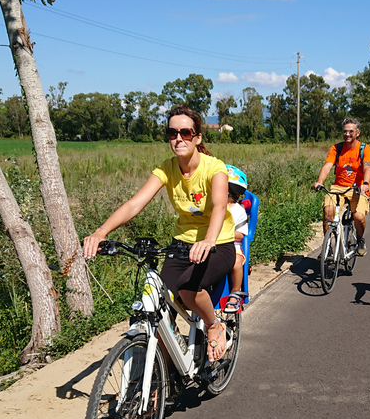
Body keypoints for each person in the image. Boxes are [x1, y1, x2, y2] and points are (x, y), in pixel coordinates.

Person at [83, 104, 236, 362]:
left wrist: (209, 240)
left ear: (197, 137)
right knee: (159, 302)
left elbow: (220, 206)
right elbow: (134, 204)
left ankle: (213, 325)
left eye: (186, 133)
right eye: (172, 133)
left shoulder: (214, 168)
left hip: (218, 243)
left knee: (188, 289)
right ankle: (160, 380)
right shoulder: (166, 169)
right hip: (181, 245)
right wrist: (101, 231)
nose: (178, 139)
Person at [312, 117, 370, 256]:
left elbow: (367, 167)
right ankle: (328, 247)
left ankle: (360, 239)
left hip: (358, 188)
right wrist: (320, 181)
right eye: (345, 132)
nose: (347, 134)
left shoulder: (365, 148)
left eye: (350, 131)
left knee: (358, 217)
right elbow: (328, 166)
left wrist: (365, 184)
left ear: (357, 133)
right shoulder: (337, 148)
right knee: (328, 211)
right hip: (338, 187)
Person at [224, 164, 249, 313]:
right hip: (213, 246)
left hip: (234, 246)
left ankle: (235, 292)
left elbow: (240, 234)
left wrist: (220, 234)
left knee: (236, 262)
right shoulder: (211, 207)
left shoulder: (238, 211)